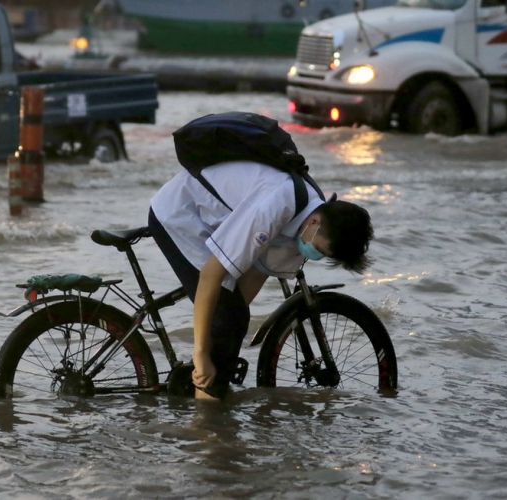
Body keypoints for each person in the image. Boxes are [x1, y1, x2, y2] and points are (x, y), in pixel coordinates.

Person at [147, 129, 374, 401]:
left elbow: (256, 274)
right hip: (179, 215)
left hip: (211, 218)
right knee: (225, 316)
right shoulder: (274, 207)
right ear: (315, 223)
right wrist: (202, 355)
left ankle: (212, 401)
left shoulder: (310, 211)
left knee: (231, 316)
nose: (314, 255)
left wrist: (228, 328)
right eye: (320, 249)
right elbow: (211, 275)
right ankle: (206, 423)